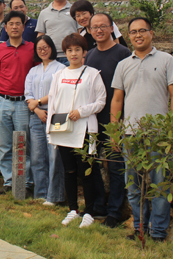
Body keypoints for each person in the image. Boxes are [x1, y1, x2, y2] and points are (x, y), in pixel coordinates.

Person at [110, 17, 173, 242]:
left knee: (159, 185)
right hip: (130, 134)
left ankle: (158, 232)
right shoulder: (123, 64)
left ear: (151, 33)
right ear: (129, 35)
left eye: (142, 30)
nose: (137, 35)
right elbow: (117, 99)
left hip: (158, 135)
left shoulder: (166, 60)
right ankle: (140, 229)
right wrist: (115, 130)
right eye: (133, 32)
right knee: (133, 185)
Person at [46, 33, 106, 228]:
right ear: (65, 53)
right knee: (69, 171)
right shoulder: (59, 75)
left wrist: (82, 111)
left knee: (86, 172)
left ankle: (89, 212)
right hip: (63, 131)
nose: (73, 54)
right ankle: (73, 209)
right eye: (70, 50)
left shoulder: (93, 74)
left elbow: (101, 101)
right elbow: (53, 104)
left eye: (77, 50)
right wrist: (50, 130)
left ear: (84, 52)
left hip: (84, 130)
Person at [84, 13, 131, 228]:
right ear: (90, 31)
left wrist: (119, 121)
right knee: (92, 163)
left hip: (114, 121)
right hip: (93, 120)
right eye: (94, 27)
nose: (99, 30)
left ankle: (114, 212)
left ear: (112, 28)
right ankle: (99, 206)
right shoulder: (90, 55)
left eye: (103, 26)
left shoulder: (123, 53)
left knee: (115, 167)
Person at [0, 10, 35, 195]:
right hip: (2, 102)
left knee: (23, 144)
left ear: (23, 27)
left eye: (18, 24)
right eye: (11, 24)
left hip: (23, 103)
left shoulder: (32, 48)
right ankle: (9, 181)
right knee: (5, 145)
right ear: (5, 28)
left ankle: (25, 183)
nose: (14, 27)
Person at [24, 36, 65, 205]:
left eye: (46, 47)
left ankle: (54, 196)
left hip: (55, 116)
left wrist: (39, 102)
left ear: (52, 48)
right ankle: (40, 194)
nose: (43, 50)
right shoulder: (33, 71)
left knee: (54, 157)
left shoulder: (61, 69)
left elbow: (58, 91)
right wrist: (37, 110)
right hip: (36, 116)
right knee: (37, 157)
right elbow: (28, 94)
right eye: (39, 48)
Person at [35, 0, 79, 65]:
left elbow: (81, 32)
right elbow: (40, 35)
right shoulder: (44, 13)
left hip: (71, 56)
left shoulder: (75, 10)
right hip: (50, 57)